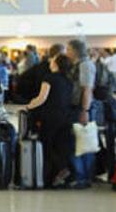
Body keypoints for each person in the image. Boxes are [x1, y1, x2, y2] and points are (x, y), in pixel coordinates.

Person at [26, 54, 75, 187]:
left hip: (50, 116)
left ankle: (55, 173)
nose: (50, 61)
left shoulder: (49, 78)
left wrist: (29, 105)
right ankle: (62, 172)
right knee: (59, 147)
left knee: (47, 146)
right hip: (65, 116)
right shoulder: (68, 80)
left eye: (53, 60)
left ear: (56, 64)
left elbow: (42, 98)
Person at [67, 39, 96, 189]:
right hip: (77, 107)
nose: (67, 52)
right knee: (78, 141)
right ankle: (79, 175)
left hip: (81, 108)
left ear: (75, 50)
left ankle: (83, 176)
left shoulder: (85, 65)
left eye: (68, 49)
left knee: (82, 142)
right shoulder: (77, 65)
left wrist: (84, 110)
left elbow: (87, 89)